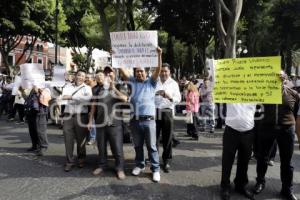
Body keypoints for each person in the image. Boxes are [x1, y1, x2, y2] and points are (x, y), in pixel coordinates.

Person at [254, 71, 299, 200]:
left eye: (281, 75)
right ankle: (260, 182)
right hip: (267, 128)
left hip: (287, 129)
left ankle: (287, 189)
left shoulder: (290, 90)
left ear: (285, 77)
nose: (278, 77)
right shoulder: (264, 91)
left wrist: (287, 84)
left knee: (287, 162)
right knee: (262, 158)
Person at [119, 47, 162, 182]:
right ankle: (140, 165)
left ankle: (155, 169)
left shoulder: (151, 82)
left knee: (152, 146)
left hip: (149, 120)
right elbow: (123, 72)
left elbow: (158, 70)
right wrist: (115, 57)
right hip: (135, 120)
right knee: (137, 145)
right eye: (137, 71)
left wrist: (159, 55)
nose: (139, 73)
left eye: (141, 71)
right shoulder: (132, 82)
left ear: (146, 72)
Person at [88, 66, 128, 180]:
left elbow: (125, 99)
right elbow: (93, 106)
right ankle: (102, 165)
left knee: (117, 147)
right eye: (106, 73)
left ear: (114, 73)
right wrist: (91, 121)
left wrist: (113, 88)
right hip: (100, 122)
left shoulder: (120, 85)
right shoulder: (98, 89)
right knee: (101, 146)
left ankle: (119, 168)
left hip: (114, 123)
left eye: (110, 72)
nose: (108, 74)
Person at [220, 103, 256, 200]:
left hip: (248, 131)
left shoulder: (256, 88)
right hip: (231, 130)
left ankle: (240, 185)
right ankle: (225, 186)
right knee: (227, 160)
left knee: (244, 161)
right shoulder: (230, 88)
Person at [62, 69, 93, 172]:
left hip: (81, 116)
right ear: (75, 76)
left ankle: (81, 158)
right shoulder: (67, 86)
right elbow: (63, 97)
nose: (80, 77)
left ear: (85, 78)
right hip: (68, 116)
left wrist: (71, 97)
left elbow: (87, 99)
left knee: (81, 140)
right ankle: (69, 161)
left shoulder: (87, 88)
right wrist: (76, 97)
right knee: (68, 140)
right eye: (79, 75)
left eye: (83, 76)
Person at [155, 63, 181, 173]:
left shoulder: (174, 83)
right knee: (154, 138)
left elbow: (178, 99)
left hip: (167, 111)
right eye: (162, 71)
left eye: (166, 71)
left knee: (168, 138)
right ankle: (154, 160)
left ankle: (166, 160)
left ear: (169, 72)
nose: (164, 73)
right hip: (155, 110)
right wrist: (156, 94)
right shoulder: (155, 82)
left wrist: (170, 97)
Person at [23, 82, 51, 156]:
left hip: (40, 112)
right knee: (32, 130)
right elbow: (27, 99)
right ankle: (35, 145)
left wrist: (38, 91)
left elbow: (47, 99)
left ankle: (43, 146)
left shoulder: (46, 87)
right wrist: (22, 92)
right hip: (31, 111)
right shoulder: (32, 88)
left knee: (40, 131)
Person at [85, 73, 98, 145]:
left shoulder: (95, 87)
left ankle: (93, 138)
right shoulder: (86, 87)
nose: (86, 79)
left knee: (93, 123)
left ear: (93, 79)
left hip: (94, 108)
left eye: (88, 78)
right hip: (87, 107)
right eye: (86, 77)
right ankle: (90, 137)